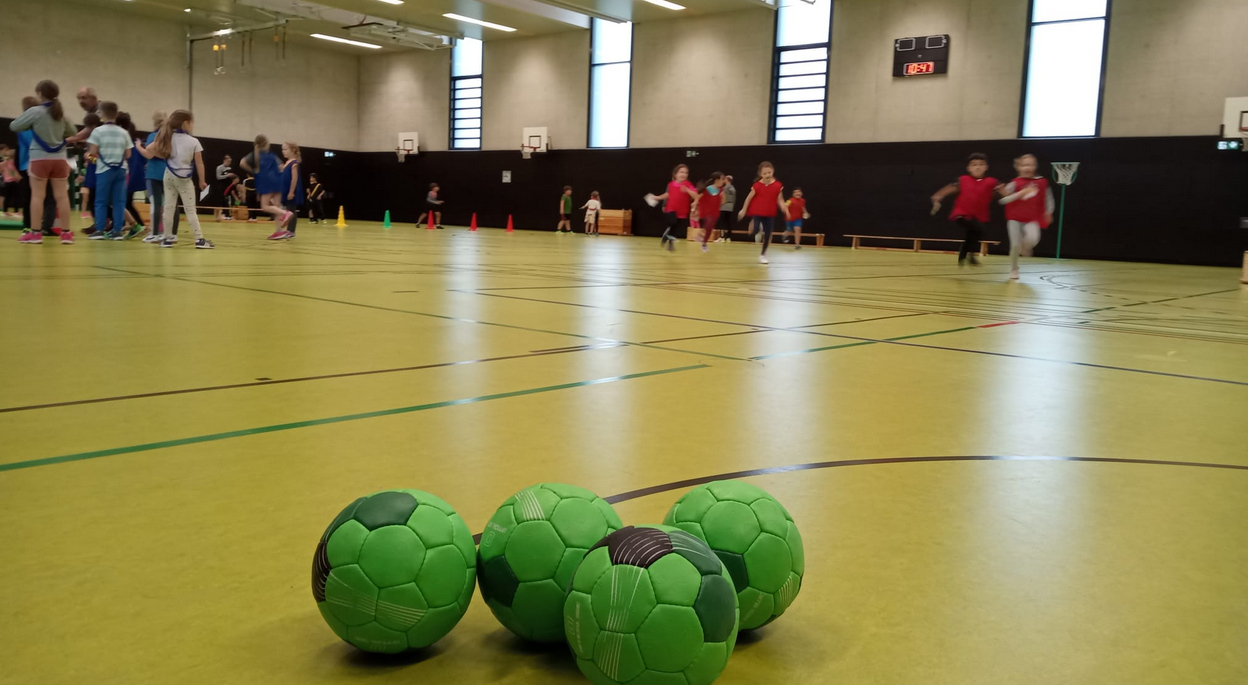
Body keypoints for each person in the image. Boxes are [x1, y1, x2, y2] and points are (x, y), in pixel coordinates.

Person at [9, 81, 78, 245]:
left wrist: (31, 125)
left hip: (39, 158)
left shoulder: (35, 111)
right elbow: (73, 132)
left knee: (38, 196)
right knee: (62, 196)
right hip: (60, 159)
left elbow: (14, 126)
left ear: (40, 94)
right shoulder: (61, 114)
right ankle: (66, 234)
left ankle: (35, 233)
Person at [147, 109, 213, 249]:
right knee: (190, 209)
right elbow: (199, 164)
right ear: (186, 123)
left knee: (168, 207)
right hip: (184, 179)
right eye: (192, 123)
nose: (193, 126)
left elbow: (150, 149)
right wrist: (202, 181)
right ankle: (199, 239)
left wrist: (165, 156)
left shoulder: (168, 137)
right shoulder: (194, 141)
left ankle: (167, 239)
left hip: (168, 175)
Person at [930, 153, 1003, 267]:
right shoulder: (963, 180)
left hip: (976, 216)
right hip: (961, 214)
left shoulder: (991, 182)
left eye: (981, 164)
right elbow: (948, 189)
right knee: (978, 230)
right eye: (974, 165)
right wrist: (938, 197)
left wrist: (1013, 195)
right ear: (968, 168)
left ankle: (963, 256)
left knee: (972, 235)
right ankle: (970, 256)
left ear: (986, 167)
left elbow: (1005, 191)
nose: (977, 167)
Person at [998, 154, 1054, 280]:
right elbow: (1003, 201)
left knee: (1033, 239)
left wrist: (1049, 212)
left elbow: (1048, 198)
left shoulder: (1042, 182)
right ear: (1019, 167)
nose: (1027, 168)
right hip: (1014, 218)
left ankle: (1026, 247)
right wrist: (1018, 194)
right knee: (1015, 245)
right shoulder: (1014, 183)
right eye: (1024, 165)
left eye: (1031, 165)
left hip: (1031, 218)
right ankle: (1014, 269)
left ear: (1035, 167)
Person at [84, 101, 132, 241]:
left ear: (101, 114)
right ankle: (117, 232)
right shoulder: (124, 133)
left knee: (101, 201)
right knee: (119, 201)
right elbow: (128, 154)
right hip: (121, 170)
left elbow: (93, 154)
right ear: (116, 114)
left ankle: (99, 230)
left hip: (104, 170)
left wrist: (88, 157)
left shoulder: (97, 132)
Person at [135, 111, 180, 243]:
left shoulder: (154, 136)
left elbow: (149, 154)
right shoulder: (172, 137)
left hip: (154, 173)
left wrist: (138, 146)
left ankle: (155, 233)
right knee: (172, 204)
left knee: (156, 204)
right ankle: (172, 234)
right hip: (170, 172)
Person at [239, 134, 293, 238]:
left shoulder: (255, 154)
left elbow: (242, 163)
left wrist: (254, 171)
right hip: (278, 181)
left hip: (267, 182)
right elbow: (281, 167)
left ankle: (285, 213)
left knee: (265, 206)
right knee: (276, 206)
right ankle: (279, 231)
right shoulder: (272, 155)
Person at [736, 161, 789, 264]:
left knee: (768, 234)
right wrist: (743, 210)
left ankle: (763, 254)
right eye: (764, 173)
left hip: (769, 213)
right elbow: (748, 198)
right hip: (757, 211)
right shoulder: (757, 185)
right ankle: (756, 224)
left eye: (769, 172)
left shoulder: (777, 185)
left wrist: (784, 208)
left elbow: (780, 199)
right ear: (760, 174)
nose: (767, 175)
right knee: (755, 230)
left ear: (773, 171)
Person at [646, 164, 697, 251]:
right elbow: (668, 194)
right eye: (681, 172)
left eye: (686, 172)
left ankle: (669, 241)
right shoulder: (671, 184)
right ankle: (668, 239)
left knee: (675, 227)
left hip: (682, 210)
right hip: (671, 208)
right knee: (673, 223)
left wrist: (687, 190)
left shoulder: (688, 184)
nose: (684, 174)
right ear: (675, 174)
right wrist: (658, 197)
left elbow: (695, 195)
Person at [115, 112, 147, 239]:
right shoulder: (133, 142)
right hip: (133, 175)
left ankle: (138, 225)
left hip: (129, 176)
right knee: (126, 202)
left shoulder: (128, 143)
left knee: (125, 202)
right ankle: (134, 224)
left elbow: (133, 161)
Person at [694, 172, 726, 253]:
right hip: (706, 212)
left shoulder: (721, 190)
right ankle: (701, 237)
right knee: (708, 224)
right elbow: (698, 197)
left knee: (709, 229)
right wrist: (695, 206)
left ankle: (704, 243)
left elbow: (723, 202)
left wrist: (722, 195)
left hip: (715, 213)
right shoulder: (707, 189)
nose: (723, 181)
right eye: (722, 179)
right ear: (717, 180)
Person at [78, 112, 100, 223]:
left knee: (95, 199)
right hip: (92, 170)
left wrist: (89, 157)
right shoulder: (92, 137)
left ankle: (99, 223)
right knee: (91, 198)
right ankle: (96, 222)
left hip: (97, 170)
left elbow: (99, 159)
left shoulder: (97, 136)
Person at [279, 141, 302, 239]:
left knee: (291, 210)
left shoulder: (294, 163)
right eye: (282, 149)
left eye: (285, 149)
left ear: (292, 150)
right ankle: (288, 230)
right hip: (285, 190)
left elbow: (294, 178)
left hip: (290, 190)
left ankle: (291, 231)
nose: (283, 151)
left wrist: (291, 191)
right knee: (288, 210)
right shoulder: (286, 163)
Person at [214, 154, 237, 220]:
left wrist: (234, 178)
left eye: (230, 161)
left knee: (228, 201)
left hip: (228, 187)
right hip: (221, 187)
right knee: (220, 200)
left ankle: (228, 214)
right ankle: (220, 215)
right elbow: (218, 177)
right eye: (228, 161)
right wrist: (227, 175)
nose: (229, 162)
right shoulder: (219, 168)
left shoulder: (230, 168)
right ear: (224, 160)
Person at [0, 145, 20, 217]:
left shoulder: (6, 162)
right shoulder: (13, 163)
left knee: (8, 197)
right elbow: (15, 172)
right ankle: (15, 211)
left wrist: (3, 172)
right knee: (14, 197)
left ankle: (6, 211)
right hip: (12, 181)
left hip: (9, 182)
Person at [715, 175, 735, 243]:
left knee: (722, 222)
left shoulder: (724, 189)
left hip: (723, 207)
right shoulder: (733, 188)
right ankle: (729, 237)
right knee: (729, 222)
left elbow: (721, 197)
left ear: (727, 180)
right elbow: (734, 199)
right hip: (730, 207)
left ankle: (722, 237)